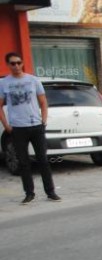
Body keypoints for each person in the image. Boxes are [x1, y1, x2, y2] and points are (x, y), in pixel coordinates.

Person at [0, 52, 60, 204]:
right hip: (18, 128)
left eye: (19, 62)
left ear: (22, 63)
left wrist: (44, 121)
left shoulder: (33, 80)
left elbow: (43, 102)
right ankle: (29, 193)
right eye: (13, 63)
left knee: (43, 160)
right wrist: (6, 125)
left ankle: (50, 192)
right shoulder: (4, 83)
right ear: (8, 65)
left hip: (36, 126)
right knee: (23, 162)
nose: (16, 66)